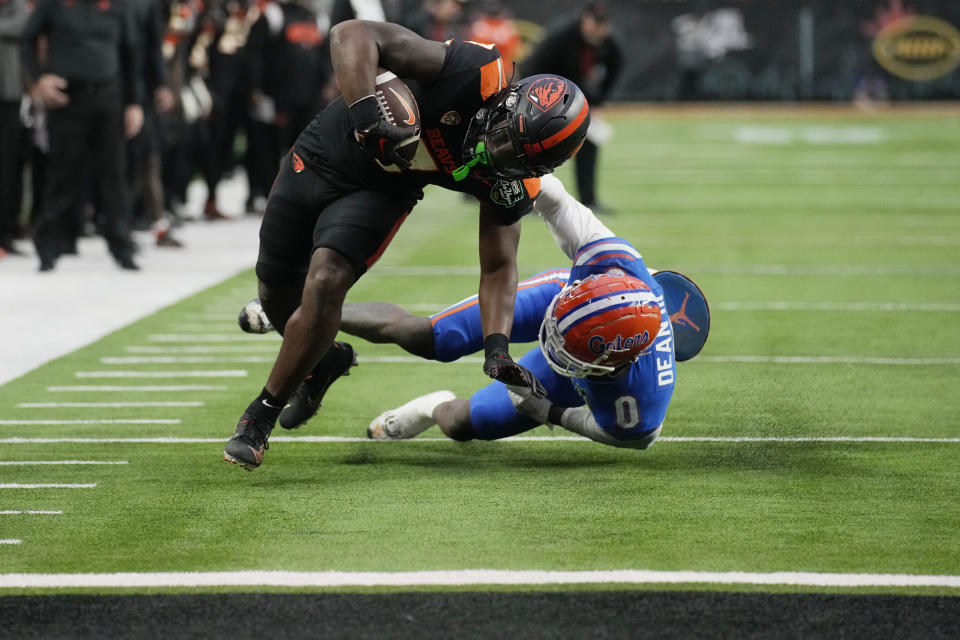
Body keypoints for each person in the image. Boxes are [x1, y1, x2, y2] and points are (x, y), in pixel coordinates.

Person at [223, 19, 591, 470]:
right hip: (324, 152)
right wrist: (365, 115)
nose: (498, 154)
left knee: (326, 280)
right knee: (278, 297)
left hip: (384, 190)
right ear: (507, 102)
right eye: (504, 138)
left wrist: (497, 348)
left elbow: (498, 265)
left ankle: (259, 419)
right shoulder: (472, 72)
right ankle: (328, 359)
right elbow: (351, 34)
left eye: (518, 156)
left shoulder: (513, 182)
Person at [349, 175, 709, 447]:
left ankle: (431, 406)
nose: (551, 345)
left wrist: (551, 413)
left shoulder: (639, 405)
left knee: (464, 425)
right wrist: (519, 175)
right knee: (431, 337)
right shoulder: (615, 261)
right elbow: (556, 200)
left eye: (564, 348)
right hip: (563, 300)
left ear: (614, 363)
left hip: (579, 359)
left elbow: (632, 437)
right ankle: (313, 312)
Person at [21, 0, 145, 271]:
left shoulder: (118, 5)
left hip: (108, 97)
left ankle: (121, 246)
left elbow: (131, 53)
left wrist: (134, 103)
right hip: (66, 99)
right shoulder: (53, 4)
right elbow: (27, 40)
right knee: (61, 174)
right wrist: (39, 80)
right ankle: (49, 247)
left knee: (114, 175)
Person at [521, 1, 622, 212]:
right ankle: (528, 200)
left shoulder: (609, 43)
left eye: (603, 24)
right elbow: (534, 69)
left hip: (576, 100)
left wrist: (599, 102)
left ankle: (589, 199)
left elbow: (615, 69)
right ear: (584, 19)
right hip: (543, 99)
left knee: (590, 140)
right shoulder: (561, 38)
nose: (598, 28)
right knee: (536, 150)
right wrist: (537, 105)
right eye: (595, 22)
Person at [0, 0, 28, 257]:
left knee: (9, 167)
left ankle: (7, 232)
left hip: (9, 97)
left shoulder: (18, 8)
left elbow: (21, 26)